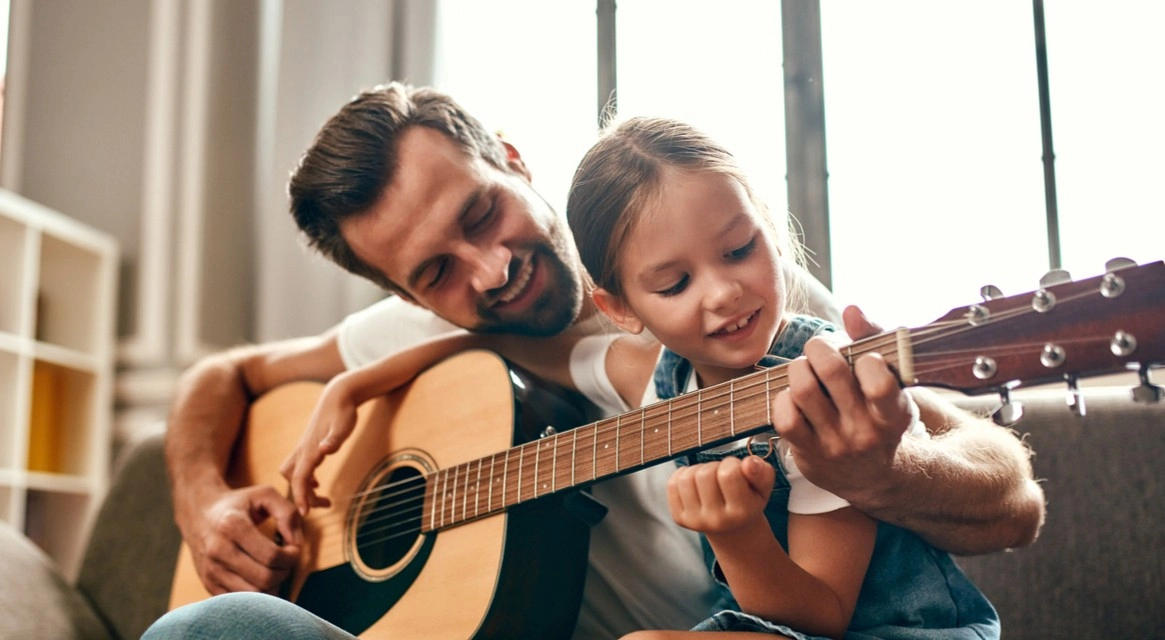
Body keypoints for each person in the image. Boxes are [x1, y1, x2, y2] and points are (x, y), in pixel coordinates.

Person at [147, 83, 1044, 638]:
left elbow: (1011, 498)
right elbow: (221, 378)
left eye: (480, 214)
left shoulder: (738, 302)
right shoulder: (416, 340)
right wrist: (206, 504)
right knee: (217, 624)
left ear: (511, 160)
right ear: (405, 298)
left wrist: (884, 470)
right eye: (435, 273)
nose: (489, 270)